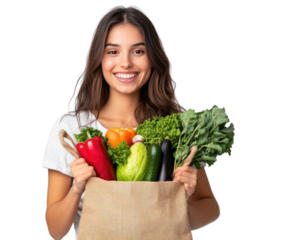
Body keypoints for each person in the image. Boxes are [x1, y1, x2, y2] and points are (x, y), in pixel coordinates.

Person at [41, 2, 220, 239]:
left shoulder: (177, 121)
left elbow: (210, 209)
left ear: (152, 58)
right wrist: (77, 188)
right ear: (99, 59)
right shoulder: (70, 128)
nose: (125, 63)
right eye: (113, 51)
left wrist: (177, 203)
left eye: (138, 51)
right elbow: (55, 231)